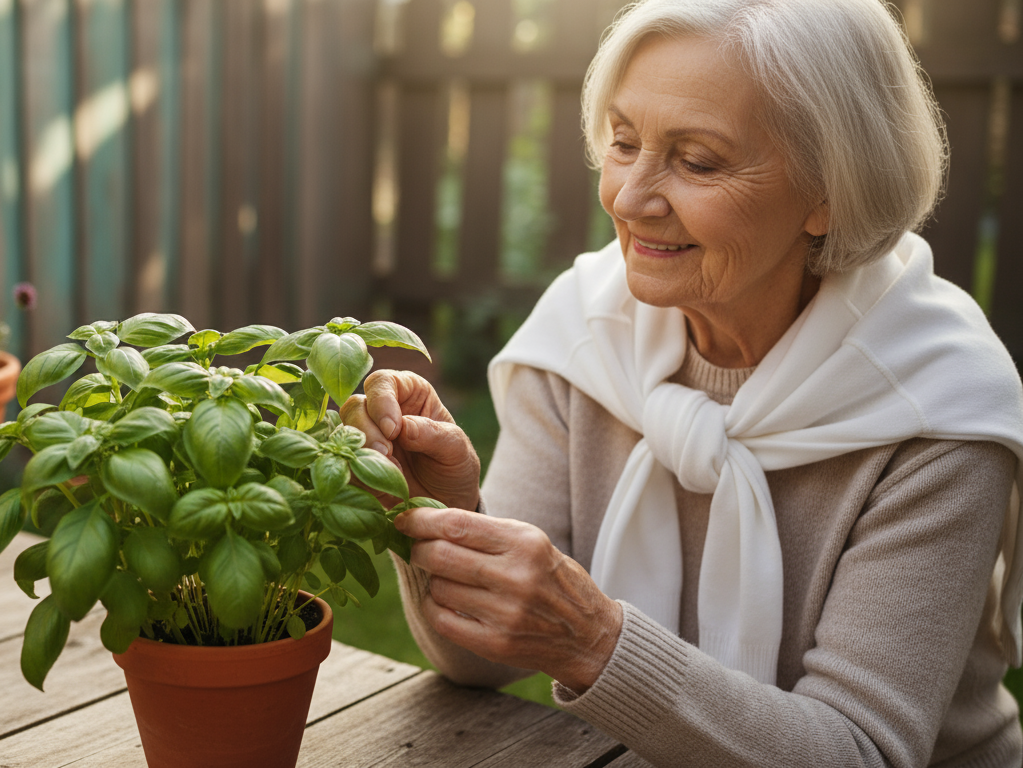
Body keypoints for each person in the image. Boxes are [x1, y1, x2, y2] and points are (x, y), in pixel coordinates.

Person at [340, 0, 1023, 765]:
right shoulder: (580, 338)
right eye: (624, 143)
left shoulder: (937, 406)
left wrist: (597, 642)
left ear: (831, 191)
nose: (629, 199)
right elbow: (480, 663)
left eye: (697, 161)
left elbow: (860, 750)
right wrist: (444, 510)